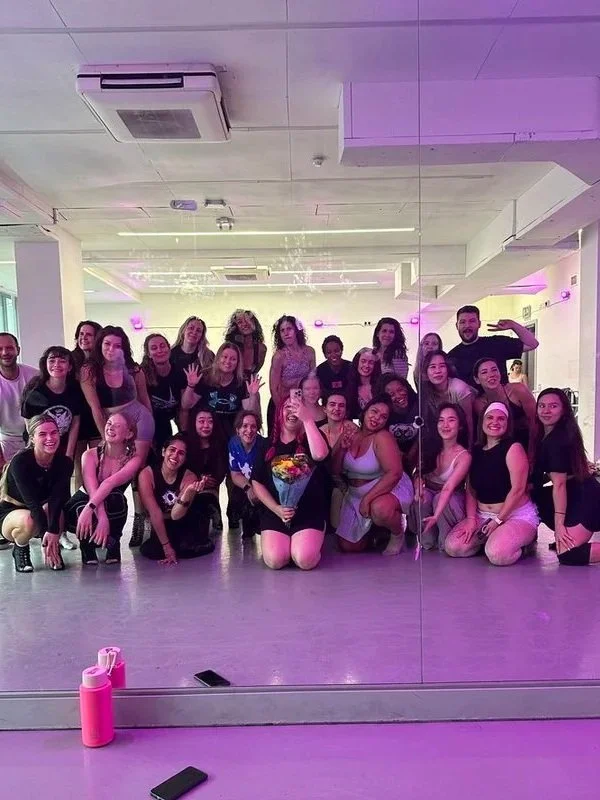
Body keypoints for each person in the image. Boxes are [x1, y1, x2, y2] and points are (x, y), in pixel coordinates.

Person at [80, 325, 155, 546]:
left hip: (139, 420)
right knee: (105, 471)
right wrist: (105, 436)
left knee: (137, 469)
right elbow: (95, 407)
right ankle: (99, 518)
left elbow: (145, 400)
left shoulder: (134, 370)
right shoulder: (89, 370)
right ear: (99, 345)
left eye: (117, 345)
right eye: (107, 344)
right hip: (109, 422)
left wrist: (151, 431)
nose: (112, 349)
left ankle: (139, 520)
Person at [444, 402, 539, 566]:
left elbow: (518, 489)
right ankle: (491, 541)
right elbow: (471, 490)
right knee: (454, 547)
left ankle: (524, 545)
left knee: (497, 555)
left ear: (507, 423)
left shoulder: (513, 448)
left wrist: (498, 521)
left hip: (514, 515)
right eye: (490, 417)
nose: (495, 422)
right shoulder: (476, 450)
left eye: (501, 418)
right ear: (482, 421)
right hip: (484, 516)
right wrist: (471, 519)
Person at [251, 396, 329, 570]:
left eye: (297, 408)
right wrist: (277, 509)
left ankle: (311, 538)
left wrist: (308, 420)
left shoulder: (313, 434)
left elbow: (320, 455)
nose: (292, 411)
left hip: (308, 512)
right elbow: (256, 482)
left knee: (304, 560)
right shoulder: (266, 444)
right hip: (276, 512)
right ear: (279, 413)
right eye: (287, 407)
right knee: (275, 561)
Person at [334, 396, 413, 555]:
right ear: (364, 412)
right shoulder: (350, 435)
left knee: (380, 509)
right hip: (355, 492)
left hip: (387, 487)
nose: (377, 418)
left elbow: (395, 473)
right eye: (374, 411)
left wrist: (368, 499)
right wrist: (341, 449)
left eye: (384, 417)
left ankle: (397, 533)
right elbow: (335, 470)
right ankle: (377, 533)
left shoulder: (382, 437)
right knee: (349, 547)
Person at [532, 388, 600, 565]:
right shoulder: (546, 434)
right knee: (534, 495)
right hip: (573, 490)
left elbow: (559, 484)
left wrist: (559, 525)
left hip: (583, 496)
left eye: (553, 406)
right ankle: (567, 534)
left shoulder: (557, 440)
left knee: (568, 554)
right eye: (542, 406)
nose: (546, 411)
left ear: (563, 410)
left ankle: (566, 534)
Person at [64, 413, 141, 565]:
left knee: (117, 499)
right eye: (109, 423)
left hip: (109, 502)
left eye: (117, 426)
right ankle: (87, 547)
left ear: (129, 433)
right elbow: (92, 490)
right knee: (81, 508)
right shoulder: (90, 455)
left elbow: (108, 484)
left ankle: (113, 542)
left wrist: (101, 517)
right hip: (85, 500)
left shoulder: (133, 459)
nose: (110, 428)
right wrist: (97, 513)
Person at [0, 414, 72, 572]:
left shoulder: (65, 463)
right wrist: (47, 533)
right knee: (29, 520)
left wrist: (53, 532)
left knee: (56, 512)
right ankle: (20, 548)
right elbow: (32, 503)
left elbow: (57, 499)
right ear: (32, 438)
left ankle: (53, 551)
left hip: (41, 508)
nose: (50, 438)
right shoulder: (20, 462)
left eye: (54, 433)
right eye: (42, 434)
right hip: (13, 513)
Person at [138, 433, 216, 562]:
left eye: (181, 453)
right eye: (172, 450)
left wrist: (187, 493)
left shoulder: (189, 477)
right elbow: (154, 513)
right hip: (161, 519)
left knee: (187, 549)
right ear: (163, 451)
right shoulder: (147, 474)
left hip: (183, 518)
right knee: (152, 551)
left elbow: (176, 515)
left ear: (185, 458)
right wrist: (166, 547)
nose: (175, 456)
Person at [410, 403, 471, 551]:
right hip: (430, 492)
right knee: (423, 499)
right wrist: (418, 487)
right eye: (441, 420)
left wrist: (436, 516)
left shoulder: (464, 456)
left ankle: (445, 541)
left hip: (450, 496)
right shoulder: (430, 445)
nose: (445, 425)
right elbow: (418, 473)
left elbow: (448, 488)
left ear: (460, 425)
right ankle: (426, 541)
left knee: (440, 500)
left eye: (451, 420)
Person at [181, 342, 262, 443]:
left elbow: (250, 414)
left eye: (233, 359)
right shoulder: (205, 377)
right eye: (225, 357)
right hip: (205, 430)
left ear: (238, 363)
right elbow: (186, 405)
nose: (228, 361)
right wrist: (191, 385)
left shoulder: (242, 382)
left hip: (230, 433)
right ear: (218, 358)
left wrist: (253, 395)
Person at [448, 305, 539, 387]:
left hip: (501, 403)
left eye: (472, 321)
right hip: (471, 405)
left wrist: (513, 325)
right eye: (463, 322)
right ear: (457, 326)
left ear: (479, 324)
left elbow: (532, 344)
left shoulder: (496, 343)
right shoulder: (452, 356)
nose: (467, 325)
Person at [21, 346, 82, 460]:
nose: (57, 364)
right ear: (45, 364)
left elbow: (75, 423)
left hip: (62, 447)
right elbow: (30, 426)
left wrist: (69, 454)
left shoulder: (75, 390)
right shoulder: (35, 392)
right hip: (38, 448)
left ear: (70, 367)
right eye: (52, 360)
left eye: (62, 361)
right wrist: (39, 454)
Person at [473, 358, 536, 462]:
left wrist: (532, 452)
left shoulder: (518, 390)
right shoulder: (479, 403)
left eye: (494, 370)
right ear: (477, 379)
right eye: (484, 372)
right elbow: (488, 434)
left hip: (527, 443)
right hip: (501, 449)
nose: (491, 374)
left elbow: (535, 421)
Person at [268, 315, 316, 434]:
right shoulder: (279, 356)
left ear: (296, 330)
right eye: (282, 330)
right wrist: (282, 411)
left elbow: (313, 380)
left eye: (289, 329)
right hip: (282, 404)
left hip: (304, 404)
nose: (286, 333)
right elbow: (273, 388)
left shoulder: (310, 352)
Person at [140, 333, 187, 453]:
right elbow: (143, 410)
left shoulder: (179, 371)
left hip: (173, 413)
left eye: (162, 346)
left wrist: (184, 434)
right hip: (151, 418)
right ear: (149, 354)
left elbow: (183, 408)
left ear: (169, 348)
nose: (160, 350)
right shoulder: (142, 374)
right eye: (154, 348)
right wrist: (148, 435)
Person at [0, 332, 38, 473]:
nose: (5, 353)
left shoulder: (35, 376)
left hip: (35, 441)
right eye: (0, 349)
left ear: (18, 350)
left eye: (9, 348)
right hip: (6, 443)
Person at [185, 408, 228, 530]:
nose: (206, 425)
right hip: (188, 488)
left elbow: (221, 471)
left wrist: (208, 481)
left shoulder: (220, 443)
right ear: (194, 423)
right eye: (201, 421)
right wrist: (198, 479)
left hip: (211, 489)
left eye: (210, 421)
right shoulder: (185, 441)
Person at [71, 320, 102, 489]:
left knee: (99, 467)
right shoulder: (70, 360)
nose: (84, 337)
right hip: (77, 420)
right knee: (80, 469)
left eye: (89, 334)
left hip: (98, 419)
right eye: (81, 334)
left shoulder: (103, 363)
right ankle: (79, 509)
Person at [420, 351, 474, 443]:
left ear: (447, 369)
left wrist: (470, 447)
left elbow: (469, 420)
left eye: (442, 366)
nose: (437, 371)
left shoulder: (459, 388)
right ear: (426, 372)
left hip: (467, 428)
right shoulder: (426, 391)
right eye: (433, 367)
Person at [228, 410, 266, 539]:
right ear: (238, 429)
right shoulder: (233, 443)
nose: (249, 430)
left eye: (253, 426)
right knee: (235, 505)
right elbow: (235, 474)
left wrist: (256, 490)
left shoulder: (264, 445)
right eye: (245, 426)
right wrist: (248, 488)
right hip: (245, 483)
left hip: (262, 485)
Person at [378, 374, 420, 470]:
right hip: (393, 458)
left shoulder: (419, 404)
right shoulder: (384, 412)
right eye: (391, 394)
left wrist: (412, 453)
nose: (398, 395)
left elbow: (425, 433)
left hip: (418, 457)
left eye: (400, 390)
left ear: (406, 387)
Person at [224, 309, 267, 381]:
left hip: (250, 388)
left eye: (247, 320)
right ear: (235, 326)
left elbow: (255, 373)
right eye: (240, 322)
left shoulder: (261, 348)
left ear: (254, 323)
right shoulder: (228, 347)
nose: (244, 324)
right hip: (228, 388)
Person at [316, 335, 355, 402]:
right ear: (325, 355)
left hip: (349, 406)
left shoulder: (351, 367)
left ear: (342, 351)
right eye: (329, 352)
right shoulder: (320, 370)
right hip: (328, 408)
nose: (333, 355)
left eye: (336, 351)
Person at [349, 347, 381, 419]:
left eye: (371, 362)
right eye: (363, 361)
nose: (366, 365)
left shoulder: (382, 386)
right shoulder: (349, 386)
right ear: (357, 363)